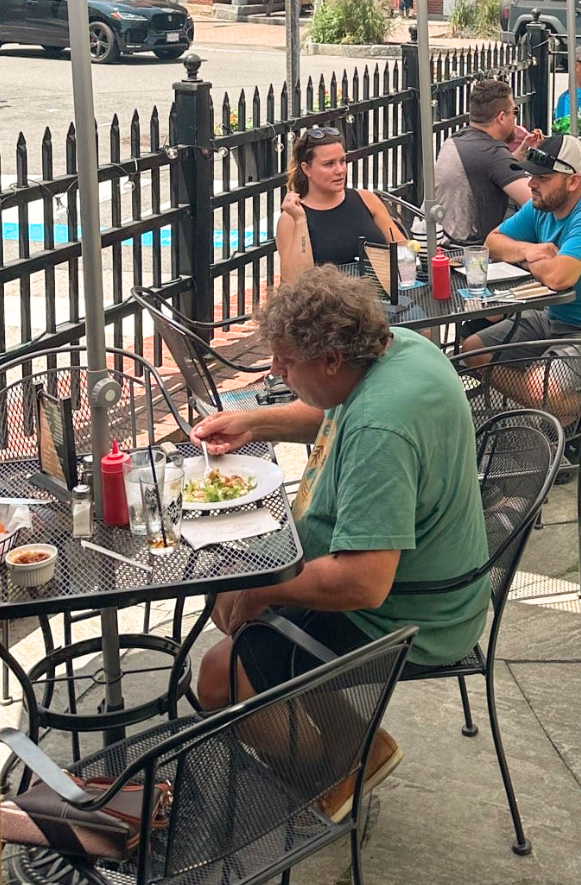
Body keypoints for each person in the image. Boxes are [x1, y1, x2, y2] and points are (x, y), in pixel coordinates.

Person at [191, 266, 489, 815]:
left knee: (218, 676)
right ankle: (362, 745)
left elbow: (364, 582)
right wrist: (255, 424)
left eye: (285, 361)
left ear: (329, 359)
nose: (276, 372)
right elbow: (330, 409)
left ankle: (329, 775)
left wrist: (264, 592)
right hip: (428, 580)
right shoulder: (395, 348)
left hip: (412, 611)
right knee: (224, 599)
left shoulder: (382, 425)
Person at [460, 134, 581, 382]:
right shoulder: (543, 204)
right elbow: (492, 242)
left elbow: (559, 278)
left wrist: (526, 260)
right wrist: (529, 251)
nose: (531, 184)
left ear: (572, 181)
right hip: (558, 318)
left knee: (542, 385)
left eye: (543, 178)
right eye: (532, 175)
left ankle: (575, 413)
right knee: (475, 351)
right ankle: (568, 411)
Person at [276, 126, 406, 281]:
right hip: (329, 303)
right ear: (306, 169)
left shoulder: (366, 199)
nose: (340, 170)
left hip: (380, 297)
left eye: (342, 161)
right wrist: (300, 221)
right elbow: (294, 283)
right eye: (329, 164)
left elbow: (403, 252)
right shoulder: (292, 218)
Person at [435, 78, 542, 244]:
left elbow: (488, 171)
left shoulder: (458, 138)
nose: (515, 119)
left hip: (438, 239)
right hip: (467, 249)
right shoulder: (492, 153)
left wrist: (521, 152)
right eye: (515, 111)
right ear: (501, 117)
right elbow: (537, 202)